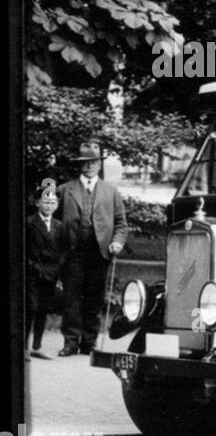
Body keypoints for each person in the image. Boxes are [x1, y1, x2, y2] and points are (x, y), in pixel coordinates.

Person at [56, 142, 128, 356]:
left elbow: (121, 224)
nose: (89, 166)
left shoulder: (111, 191)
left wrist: (117, 242)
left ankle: (89, 343)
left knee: (94, 299)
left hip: (99, 253)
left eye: (93, 162)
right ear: (79, 165)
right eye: (85, 162)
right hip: (73, 253)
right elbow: (54, 221)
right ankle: (70, 342)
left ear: (99, 164)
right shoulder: (64, 189)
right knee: (71, 299)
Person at [26, 186, 67, 360]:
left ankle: (37, 346)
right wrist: (31, 265)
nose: (49, 206)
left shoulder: (59, 225)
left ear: (57, 205)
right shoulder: (29, 222)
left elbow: (64, 250)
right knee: (31, 308)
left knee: (43, 308)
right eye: (45, 202)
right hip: (33, 271)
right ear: (37, 203)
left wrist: (59, 269)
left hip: (51, 273)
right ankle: (23, 347)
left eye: (52, 203)